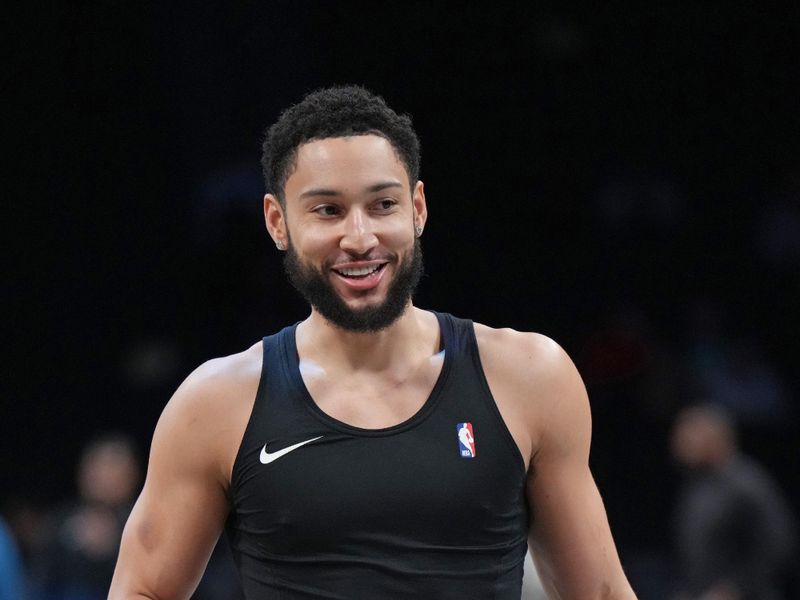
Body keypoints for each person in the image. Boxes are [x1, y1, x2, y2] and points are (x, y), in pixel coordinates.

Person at [109, 86, 636, 599]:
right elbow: (143, 589)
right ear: (277, 222)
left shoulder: (528, 376)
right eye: (327, 210)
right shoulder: (217, 403)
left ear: (418, 208)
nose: (359, 238)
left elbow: (603, 592)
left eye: (382, 204)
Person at [670, 405, 797, 600]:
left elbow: (778, 543)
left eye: (690, 434)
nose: (680, 442)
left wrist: (736, 588)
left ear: (716, 437)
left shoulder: (746, 482)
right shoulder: (695, 485)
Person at [33, 434, 140, 600]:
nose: (102, 476)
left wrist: (109, 548)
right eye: (96, 466)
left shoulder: (143, 525)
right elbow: (38, 579)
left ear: (132, 474)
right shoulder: (60, 521)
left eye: (112, 467)